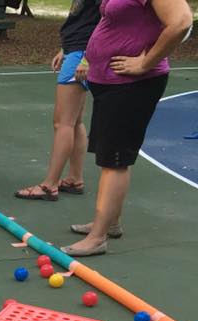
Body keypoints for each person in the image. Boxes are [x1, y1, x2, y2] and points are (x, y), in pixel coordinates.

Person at [62, 0, 192, 256]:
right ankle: (110, 222)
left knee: (115, 160)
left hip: (133, 85)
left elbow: (181, 22)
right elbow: (110, 21)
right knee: (111, 157)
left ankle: (97, 238)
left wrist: (145, 62)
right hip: (108, 82)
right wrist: (89, 57)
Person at [14, 0, 101, 201]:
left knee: (62, 122)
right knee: (75, 121)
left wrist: (87, 57)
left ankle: (49, 185)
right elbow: (83, 16)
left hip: (82, 53)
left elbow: (105, 20)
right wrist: (65, 49)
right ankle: (74, 179)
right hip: (76, 49)